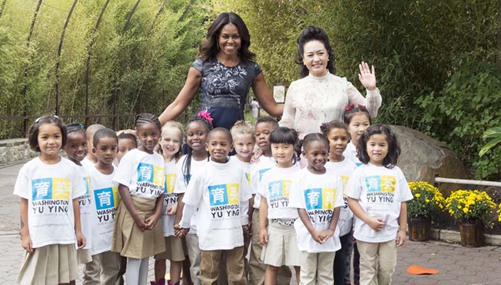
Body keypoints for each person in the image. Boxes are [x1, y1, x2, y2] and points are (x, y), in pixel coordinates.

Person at [158, 12, 283, 129]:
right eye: (225, 36)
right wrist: (153, 126)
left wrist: (300, 101)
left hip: (237, 139)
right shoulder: (201, 65)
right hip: (203, 138)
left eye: (235, 36)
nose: (230, 41)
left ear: (242, 38)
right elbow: (178, 105)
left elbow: (273, 108)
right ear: (217, 37)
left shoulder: (251, 69)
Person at [14, 115, 86, 285]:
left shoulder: (71, 169)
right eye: (45, 137)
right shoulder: (29, 169)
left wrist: (78, 230)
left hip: (65, 234)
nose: (51, 142)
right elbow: (24, 203)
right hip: (40, 236)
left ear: (63, 138)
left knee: (67, 279)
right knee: (36, 278)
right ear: (36, 140)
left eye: (56, 136)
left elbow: (75, 201)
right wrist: (25, 234)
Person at [178, 127, 252, 284]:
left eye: (223, 144)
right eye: (214, 144)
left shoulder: (237, 170)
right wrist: (184, 223)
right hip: (210, 234)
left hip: (234, 234)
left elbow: (244, 199)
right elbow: (190, 202)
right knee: (209, 274)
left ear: (231, 147)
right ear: (207, 146)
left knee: (237, 274)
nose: (218, 148)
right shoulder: (202, 173)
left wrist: (244, 221)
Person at [279, 26, 382, 139]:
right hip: (304, 152)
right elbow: (286, 123)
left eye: (320, 53)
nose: (316, 59)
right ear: (303, 59)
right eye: (310, 55)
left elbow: (370, 112)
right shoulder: (295, 87)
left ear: (327, 55)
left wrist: (371, 90)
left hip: (337, 151)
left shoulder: (342, 85)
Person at [345, 125, 413, 285]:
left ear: (389, 147)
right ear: (365, 146)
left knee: (387, 270)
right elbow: (351, 200)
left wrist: (402, 229)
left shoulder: (396, 172)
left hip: (389, 233)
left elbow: (402, 202)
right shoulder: (360, 172)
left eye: (382, 145)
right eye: (372, 144)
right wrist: (368, 220)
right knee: (367, 270)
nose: (377, 149)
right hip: (365, 232)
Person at [112, 113, 166, 285]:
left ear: (160, 133)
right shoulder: (132, 156)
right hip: (133, 211)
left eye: (154, 134)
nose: (149, 139)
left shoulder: (159, 159)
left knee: (145, 257)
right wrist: (136, 216)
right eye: (144, 135)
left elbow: (161, 191)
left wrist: (157, 214)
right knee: (134, 257)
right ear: (137, 134)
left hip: (151, 213)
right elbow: (123, 187)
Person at [289, 133, 344, 285]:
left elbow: (337, 206)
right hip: (308, 236)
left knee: (326, 276)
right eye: (314, 154)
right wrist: (312, 231)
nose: (320, 158)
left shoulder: (335, 177)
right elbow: (300, 208)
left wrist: (331, 230)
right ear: (305, 154)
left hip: (328, 237)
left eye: (324, 153)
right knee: (307, 277)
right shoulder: (299, 177)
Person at [248, 117, 292, 285]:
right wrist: (249, 217)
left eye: (266, 133)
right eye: (258, 134)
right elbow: (253, 193)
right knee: (259, 250)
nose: (261, 137)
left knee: (282, 252)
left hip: (284, 214)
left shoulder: (287, 158)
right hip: (260, 211)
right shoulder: (255, 161)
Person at [258, 127, 302, 284]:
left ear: (294, 147)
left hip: (297, 227)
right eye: (276, 147)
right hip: (275, 227)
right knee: (272, 265)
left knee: (299, 265)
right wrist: (263, 228)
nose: (280, 151)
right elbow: (264, 203)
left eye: (285, 147)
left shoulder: (301, 173)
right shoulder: (269, 175)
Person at [174, 114, 213, 285]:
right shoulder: (183, 162)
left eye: (200, 133)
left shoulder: (217, 160)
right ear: (186, 138)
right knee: (195, 263)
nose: (195, 137)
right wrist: (180, 222)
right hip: (193, 224)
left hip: (214, 223)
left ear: (208, 136)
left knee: (213, 264)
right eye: (191, 134)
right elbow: (181, 195)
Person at [85, 128, 123, 285]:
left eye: (112, 149)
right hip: (93, 235)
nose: (109, 153)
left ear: (117, 149)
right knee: (92, 273)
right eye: (103, 149)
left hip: (112, 234)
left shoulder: (120, 173)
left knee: (112, 270)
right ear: (94, 150)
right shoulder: (88, 175)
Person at [321, 121, 357, 285]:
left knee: (342, 266)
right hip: (322, 227)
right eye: (335, 138)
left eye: (343, 138)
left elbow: (357, 198)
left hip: (345, 227)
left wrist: (356, 226)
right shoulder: (320, 166)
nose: (339, 142)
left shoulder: (353, 167)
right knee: (323, 268)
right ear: (326, 140)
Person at [152, 121, 185, 285]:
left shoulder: (183, 162)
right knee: (160, 257)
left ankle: (174, 282)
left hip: (175, 220)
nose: (171, 144)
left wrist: (179, 205)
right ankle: (158, 282)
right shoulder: (154, 161)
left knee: (176, 257)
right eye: (167, 139)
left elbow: (189, 189)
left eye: (175, 141)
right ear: (159, 140)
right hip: (158, 219)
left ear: (181, 143)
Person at [64, 123, 93, 265]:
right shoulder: (66, 169)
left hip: (85, 228)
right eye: (73, 146)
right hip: (71, 230)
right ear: (64, 147)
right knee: (68, 268)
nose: (80, 149)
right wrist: (77, 230)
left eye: (83, 144)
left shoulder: (85, 168)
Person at [229, 120, 256, 277]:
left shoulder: (257, 163)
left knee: (245, 252)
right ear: (233, 144)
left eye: (249, 144)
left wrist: (250, 218)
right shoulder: (229, 163)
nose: (245, 148)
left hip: (252, 215)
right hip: (234, 217)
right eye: (240, 144)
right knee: (235, 256)